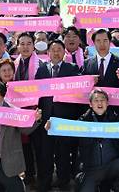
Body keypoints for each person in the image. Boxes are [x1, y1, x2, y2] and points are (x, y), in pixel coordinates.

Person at [34, 39, 82, 192]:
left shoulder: (73, 69)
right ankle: (45, 183)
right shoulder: (42, 70)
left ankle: (64, 182)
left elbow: (80, 92)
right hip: (46, 120)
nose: (56, 52)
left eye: (59, 50)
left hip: (65, 120)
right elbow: (37, 94)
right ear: (48, 53)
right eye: (53, 50)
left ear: (64, 53)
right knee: (46, 154)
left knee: (63, 154)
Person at [70, 89, 119, 192]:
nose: (100, 103)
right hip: (91, 170)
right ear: (90, 104)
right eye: (96, 100)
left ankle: (115, 189)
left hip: (110, 167)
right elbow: (68, 135)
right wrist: (52, 127)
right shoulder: (83, 121)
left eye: (102, 100)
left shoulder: (114, 119)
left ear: (107, 103)